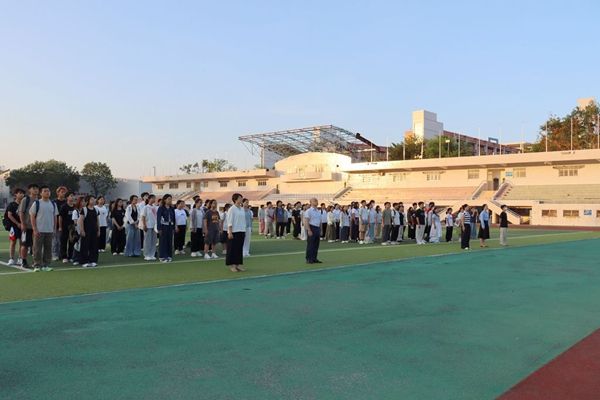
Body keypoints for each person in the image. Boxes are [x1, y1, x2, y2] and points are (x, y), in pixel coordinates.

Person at [30, 185, 59, 271]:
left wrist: (54, 229)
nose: (47, 192)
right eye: (45, 191)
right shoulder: (37, 203)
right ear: (41, 193)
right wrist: (35, 229)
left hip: (49, 230)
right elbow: (32, 216)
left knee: (48, 249)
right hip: (39, 230)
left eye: (48, 191)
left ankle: (46, 265)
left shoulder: (53, 204)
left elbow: (55, 217)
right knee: (37, 249)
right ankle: (37, 265)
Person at [17, 184, 40, 270]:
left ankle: (36, 262)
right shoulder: (25, 200)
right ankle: (23, 261)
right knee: (25, 244)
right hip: (27, 226)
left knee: (36, 245)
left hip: (37, 227)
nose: (36, 190)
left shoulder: (39, 201)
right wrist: (23, 224)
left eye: (37, 188)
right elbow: (21, 212)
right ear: (29, 190)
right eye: (33, 188)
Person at [226, 193, 246, 272]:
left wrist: (244, 230)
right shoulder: (232, 209)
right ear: (235, 199)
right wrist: (230, 232)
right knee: (233, 249)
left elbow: (243, 220)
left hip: (241, 231)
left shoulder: (242, 209)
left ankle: (238, 265)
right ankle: (232, 266)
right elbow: (229, 221)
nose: (241, 199)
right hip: (234, 231)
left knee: (239, 249)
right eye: (240, 198)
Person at [78, 195, 100, 268]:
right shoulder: (84, 209)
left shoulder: (96, 209)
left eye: (94, 199)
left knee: (94, 246)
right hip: (86, 230)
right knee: (85, 246)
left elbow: (97, 221)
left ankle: (93, 261)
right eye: (92, 199)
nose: (93, 201)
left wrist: (98, 230)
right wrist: (82, 230)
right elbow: (81, 220)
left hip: (94, 230)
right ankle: (84, 261)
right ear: (88, 201)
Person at [5, 188, 24, 266]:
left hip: (23, 226)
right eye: (20, 193)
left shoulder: (24, 204)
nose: (21, 194)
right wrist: (17, 223)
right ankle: (11, 259)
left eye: (22, 193)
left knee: (22, 243)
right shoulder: (12, 204)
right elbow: (9, 215)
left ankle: (20, 258)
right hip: (13, 227)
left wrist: (23, 224)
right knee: (13, 242)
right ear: (16, 194)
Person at [157, 194, 175, 262]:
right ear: (165, 200)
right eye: (168, 199)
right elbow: (158, 219)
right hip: (163, 226)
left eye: (171, 199)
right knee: (163, 242)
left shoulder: (172, 208)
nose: (170, 200)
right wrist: (159, 228)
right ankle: (162, 256)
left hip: (170, 226)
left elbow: (174, 218)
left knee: (169, 241)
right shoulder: (161, 208)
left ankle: (169, 255)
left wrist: (173, 227)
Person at [304, 197, 322, 264]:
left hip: (317, 228)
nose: (316, 202)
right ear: (311, 202)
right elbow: (306, 221)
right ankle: (309, 258)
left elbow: (320, 221)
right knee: (310, 244)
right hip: (311, 227)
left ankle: (314, 258)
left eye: (316, 201)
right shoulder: (308, 211)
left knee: (316, 244)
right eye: (314, 201)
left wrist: (320, 229)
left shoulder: (318, 211)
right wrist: (309, 230)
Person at [59, 192, 75, 262]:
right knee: (64, 242)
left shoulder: (75, 206)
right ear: (67, 197)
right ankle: (64, 257)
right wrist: (60, 227)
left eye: (73, 196)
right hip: (65, 227)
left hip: (73, 227)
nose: (73, 197)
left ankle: (71, 256)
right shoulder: (64, 206)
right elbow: (60, 217)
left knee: (72, 242)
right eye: (71, 196)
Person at [52, 186, 67, 261]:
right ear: (57, 193)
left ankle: (61, 254)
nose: (63, 193)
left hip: (65, 224)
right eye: (61, 192)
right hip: (56, 224)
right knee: (55, 241)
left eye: (64, 192)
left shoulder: (66, 202)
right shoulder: (54, 202)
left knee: (62, 241)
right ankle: (54, 254)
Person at [141, 194, 158, 261]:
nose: (154, 199)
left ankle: (152, 254)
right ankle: (147, 255)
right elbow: (143, 217)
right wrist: (144, 225)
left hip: (154, 226)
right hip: (148, 225)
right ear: (149, 199)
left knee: (153, 241)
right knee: (147, 241)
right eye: (153, 198)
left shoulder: (155, 207)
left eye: (154, 198)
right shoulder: (146, 207)